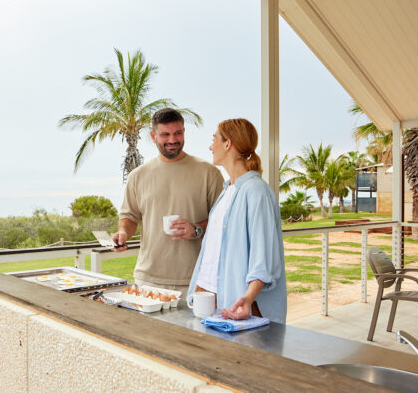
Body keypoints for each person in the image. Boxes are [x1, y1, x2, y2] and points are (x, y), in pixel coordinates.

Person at [186, 118, 287, 323]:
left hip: (240, 307)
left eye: (214, 139)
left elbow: (264, 255)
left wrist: (248, 298)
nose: (210, 146)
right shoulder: (226, 192)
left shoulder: (257, 192)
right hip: (211, 300)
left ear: (227, 143)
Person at [112, 108, 224, 291]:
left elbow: (223, 223)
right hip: (148, 280)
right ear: (153, 135)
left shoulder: (209, 173)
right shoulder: (137, 176)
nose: (172, 140)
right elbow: (129, 217)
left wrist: (196, 230)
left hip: (197, 280)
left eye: (177, 133)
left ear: (184, 132)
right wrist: (123, 233)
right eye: (165, 134)